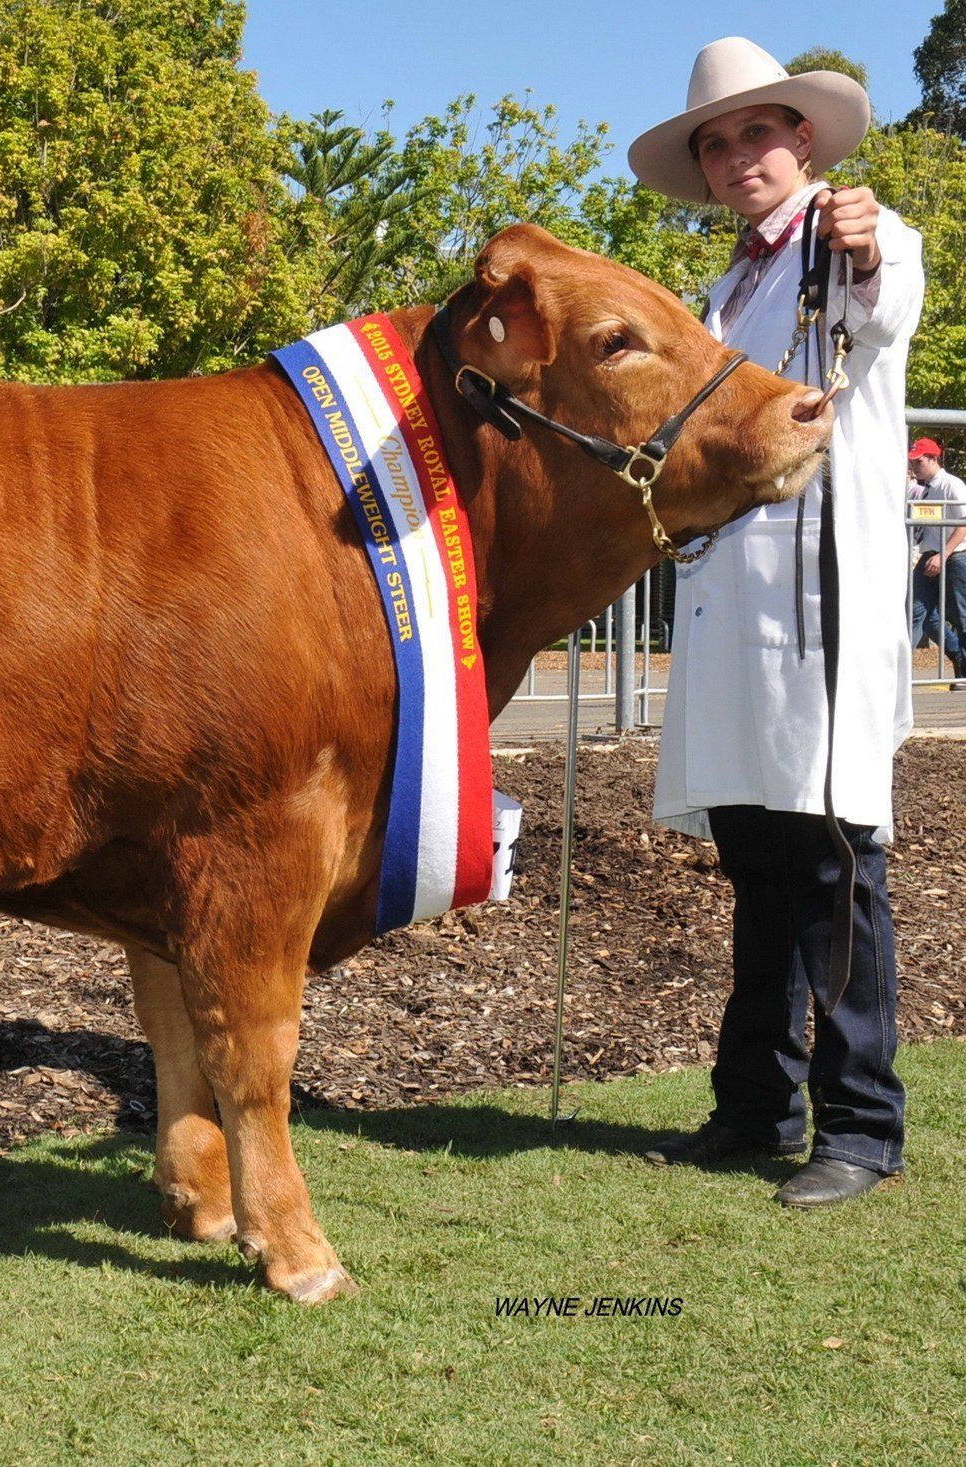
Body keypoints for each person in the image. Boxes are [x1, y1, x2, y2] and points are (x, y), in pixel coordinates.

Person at [629, 37, 924, 1206]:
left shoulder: (858, 235)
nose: (740, 154)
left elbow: (888, 297)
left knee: (836, 861)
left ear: (803, 141)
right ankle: (756, 1102)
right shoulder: (724, 291)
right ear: (704, 169)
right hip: (729, 604)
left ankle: (863, 1127)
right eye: (718, 141)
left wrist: (862, 240)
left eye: (760, 131)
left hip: (821, 604)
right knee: (757, 861)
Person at [906, 438, 966, 677]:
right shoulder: (926, 489)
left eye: (919, 461)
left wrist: (943, 555)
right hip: (930, 555)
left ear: (933, 459)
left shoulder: (952, 484)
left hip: (954, 556)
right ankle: (957, 657)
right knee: (917, 611)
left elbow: (963, 522)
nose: (914, 467)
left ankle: (964, 671)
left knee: (960, 616)